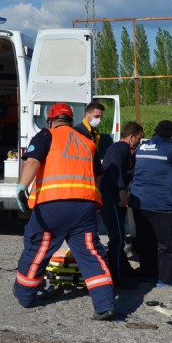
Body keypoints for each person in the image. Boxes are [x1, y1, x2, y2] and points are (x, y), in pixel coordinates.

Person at [14, 102, 115, 321]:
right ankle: (105, 303)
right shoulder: (87, 141)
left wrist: (22, 187)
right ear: (71, 120)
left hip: (52, 204)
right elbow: (98, 174)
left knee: (39, 248)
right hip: (85, 206)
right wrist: (94, 195)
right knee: (90, 252)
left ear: (50, 120)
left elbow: (32, 162)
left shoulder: (45, 135)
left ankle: (25, 294)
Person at [129, 120, 172, 287]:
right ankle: (164, 279)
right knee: (166, 244)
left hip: (140, 202)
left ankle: (148, 274)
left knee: (146, 241)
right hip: (163, 203)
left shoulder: (143, 147)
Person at [99, 121, 144, 288]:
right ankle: (117, 278)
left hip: (110, 198)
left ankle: (124, 270)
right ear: (131, 137)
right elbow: (116, 169)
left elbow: (124, 171)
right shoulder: (121, 148)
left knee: (118, 238)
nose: (138, 143)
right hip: (111, 199)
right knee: (117, 238)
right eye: (138, 139)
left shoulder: (120, 149)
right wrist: (122, 190)